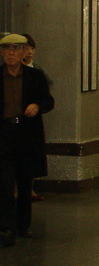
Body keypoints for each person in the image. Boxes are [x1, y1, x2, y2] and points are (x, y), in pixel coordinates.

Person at [0, 34, 54, 246]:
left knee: (24, 180)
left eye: (15, 49)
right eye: (6, 49)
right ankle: (5, 226)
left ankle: (23, 225)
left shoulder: (34, 76)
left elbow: (48, 100)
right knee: (4, 182)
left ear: (24, 52)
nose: (11, 53)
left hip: (26, 132)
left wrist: (38, 106)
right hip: (4, 132)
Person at [21, 34, 49, 201]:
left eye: (32, 49)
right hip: (14, 122)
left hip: (32, 122)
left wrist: (38, 106)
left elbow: (47, 97)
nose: (30, 52)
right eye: (26, 48)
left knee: (31, 156)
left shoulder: (36, 71)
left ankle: (28, 189)